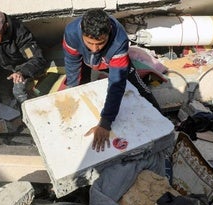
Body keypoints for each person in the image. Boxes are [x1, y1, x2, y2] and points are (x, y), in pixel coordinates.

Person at [62, 9, 160, 152]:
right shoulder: (71, 33)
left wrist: (106, 122)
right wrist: (72, 88)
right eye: (89, 43)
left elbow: (116, 84)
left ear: (108, 33)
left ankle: (160, 120)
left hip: (111, 61)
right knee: (77, 89)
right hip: (86, 61)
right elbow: (72, 63)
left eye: (100, 43)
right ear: (81, 33)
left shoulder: (119, 40)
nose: (95, 48)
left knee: (141, 88)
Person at [0, 9, 48, 104]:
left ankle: (27, 114)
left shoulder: (20, 33)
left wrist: (22, 72)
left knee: (18, 91)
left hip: (22, 67)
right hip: (0, 65)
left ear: (5, 26)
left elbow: (37, 58)